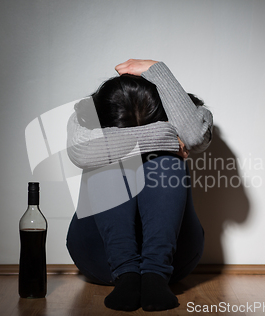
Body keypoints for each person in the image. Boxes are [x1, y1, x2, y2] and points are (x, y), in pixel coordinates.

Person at [66, 59, 213, 311]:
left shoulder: (189, 114)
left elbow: (195, 138)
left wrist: (159, 71)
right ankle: (126, 274)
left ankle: (155, 274)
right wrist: (164, 136)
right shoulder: (86, 115)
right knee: (107, 160)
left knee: (165, 162)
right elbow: (80, 152)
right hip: (99, 255)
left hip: (174, 260)